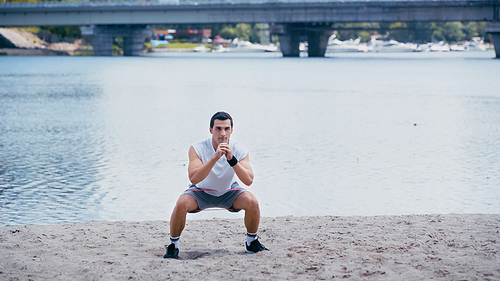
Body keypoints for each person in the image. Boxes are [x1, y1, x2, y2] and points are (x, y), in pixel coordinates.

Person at [164, 111, 268, 259]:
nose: (222, 133)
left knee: (252, 201)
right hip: (200, 192)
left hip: (229, 192)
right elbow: (193, 178)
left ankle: (252, 242)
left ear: (232, 130)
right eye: (218, 128)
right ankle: (173, 245)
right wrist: (215, 158)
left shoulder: (239, 149)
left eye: (226, 129)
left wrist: (231, 159)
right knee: (181, 203)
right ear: (211, 130)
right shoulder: (197, 148)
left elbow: (249, 180)